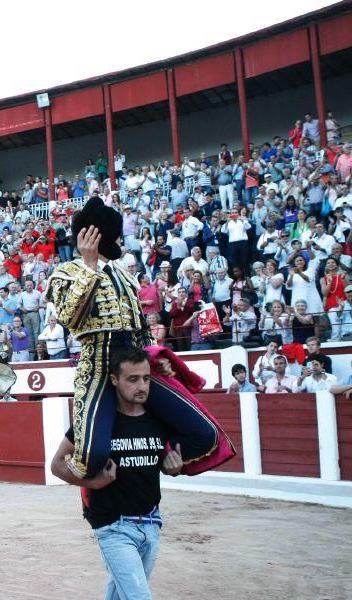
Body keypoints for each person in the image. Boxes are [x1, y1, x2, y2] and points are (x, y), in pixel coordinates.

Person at [46, 196, 222, 479]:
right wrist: (89, 267)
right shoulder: (66, 272)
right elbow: (69, 318)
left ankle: (151, 455)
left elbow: (140, 330)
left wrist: (155, 359)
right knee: (92, 457)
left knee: (205, 433)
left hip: (136, 365)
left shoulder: (125, 277)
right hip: (97, 368)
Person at [51, 348, 184, 600]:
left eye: (145, 378)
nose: (141, 386)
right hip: (114, 526)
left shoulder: (158, 421)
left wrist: (173, 469)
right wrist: (94, 482)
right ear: (114, 380)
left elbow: (164, 463)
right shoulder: (96, 423)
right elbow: (57, 464)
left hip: (152, 523)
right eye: (132, 379)